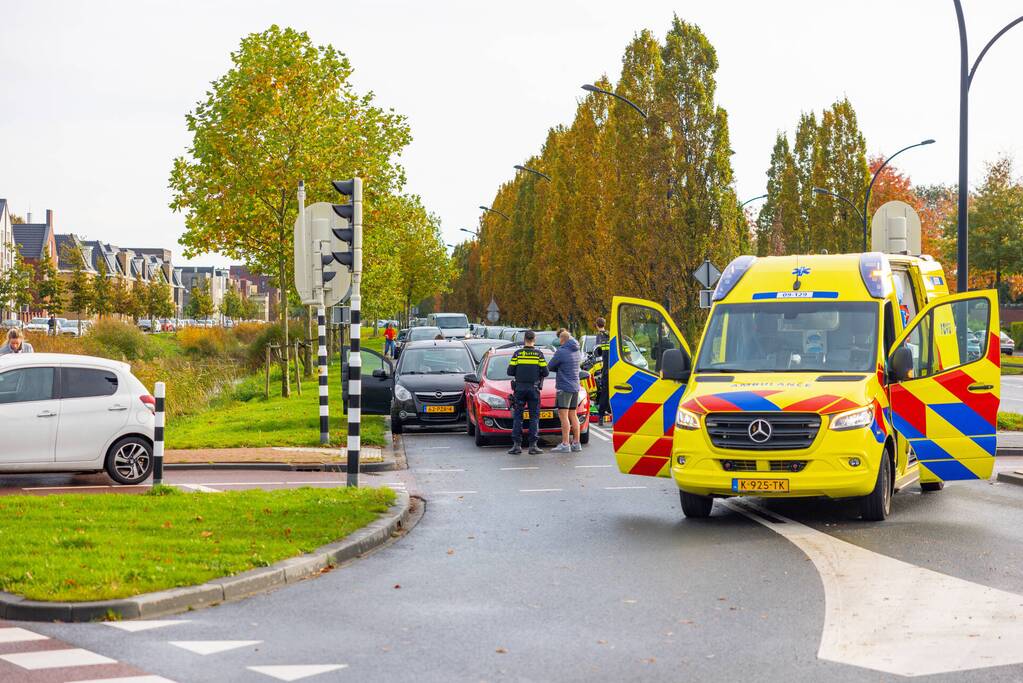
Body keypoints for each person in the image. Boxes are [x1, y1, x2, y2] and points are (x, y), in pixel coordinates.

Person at [506, 330, 549, 455]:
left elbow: (510, 371)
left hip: (519, 389)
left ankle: (517, 446)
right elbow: (546, 372)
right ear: (534, 340)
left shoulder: (518, 354)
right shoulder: (538, 354)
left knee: (518, 417)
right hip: (533, 389)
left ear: (524, 339)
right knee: (534, 418)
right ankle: (533, 446)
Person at [547, 328, 582, 453]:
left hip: (564, 387)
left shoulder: (561, 352)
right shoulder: (577, 350)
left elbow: (549, 367)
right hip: (575, 386)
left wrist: (559, 369)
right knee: (573, 415)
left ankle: (565, 444)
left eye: (560, 339)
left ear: (563, 339)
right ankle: (576, 443)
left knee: (563, 416)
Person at [594, 317, 611, 425]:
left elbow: (597, 353)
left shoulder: (599, 337)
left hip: (605, 369)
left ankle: (600, 417)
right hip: (614, 368)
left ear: (597, 325)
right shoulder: (610, 335)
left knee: (604, 393)